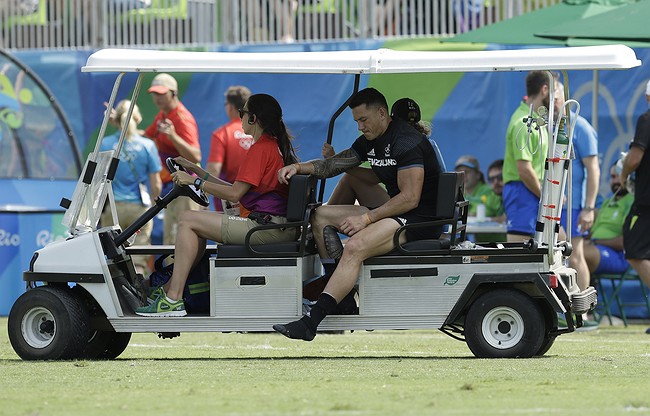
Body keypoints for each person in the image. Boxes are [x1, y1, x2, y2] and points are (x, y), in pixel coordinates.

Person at [273, 87, 443, 340]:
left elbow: (410, 198)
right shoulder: (371, 141)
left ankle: (311, 322)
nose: (360, 127)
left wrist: (366, 219)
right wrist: (298, 167)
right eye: (356, 122)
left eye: (363, 120)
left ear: (382, 113)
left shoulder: (407, 141)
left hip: (422, 220)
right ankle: (338, 292)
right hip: (400, 212)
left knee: (354, 247)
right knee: (320, 217)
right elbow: (334, 165)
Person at [136, 93, 299, 316]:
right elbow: (236, 187)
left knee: (188, 220)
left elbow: (234, 194)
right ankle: (170, 290)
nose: (240, 117)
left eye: (243, 113)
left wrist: (194, 181)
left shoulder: (261, 149)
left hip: (265, 229)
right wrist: (195, 170)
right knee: (195, 226)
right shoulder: (270, 145)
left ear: (253, 119)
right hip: (270, 225)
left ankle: (172, 298)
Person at [321, 97, 440, 207]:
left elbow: (407, 198)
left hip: (415, 213)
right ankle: (326, 213)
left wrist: (367, 218)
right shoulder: (427, 142)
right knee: (350, 178)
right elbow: (376, 177)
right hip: (430, 209)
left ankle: (325, 216)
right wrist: (339, 164)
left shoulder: (406, 145)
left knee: (350, 207)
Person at [101, 99, 162, 274]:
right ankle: (138, 295)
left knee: (113, 259)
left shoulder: (106, 144)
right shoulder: (147, 145)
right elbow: (156, 183)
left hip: (113, 209)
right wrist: (153, 204)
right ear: (137, 119)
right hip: (140, 211)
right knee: (139, 261)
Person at [143, 73, 202, 244]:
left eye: (162, 93)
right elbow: (145, 137)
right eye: (155, 93)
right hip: (174, 187)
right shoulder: (163, 115)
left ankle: (183, 272)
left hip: (187, 188)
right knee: (171, 240)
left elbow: (196, 155)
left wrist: (174, 136)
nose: (157, 98)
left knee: (183, 241)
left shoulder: (182, 118)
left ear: (173, 93)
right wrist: (122, 124)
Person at [555, 82, 600, 298]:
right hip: (552, 204)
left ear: (563, 96)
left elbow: (593, 169)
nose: (551, 104)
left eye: (554, 99)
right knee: (555, 257)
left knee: (575, 255)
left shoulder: (579, 126)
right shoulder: (550, 126)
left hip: (574, 205)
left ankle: (582, 309)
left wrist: (589, 208)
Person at [502, 71, 550, 242]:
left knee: (559, 244)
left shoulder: (535, 119)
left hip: (530, 191)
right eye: (555, 92)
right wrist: (546, 196)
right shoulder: (524, 122)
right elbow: (524, 170)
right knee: (518, 257)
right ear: (545, 90)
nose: (557, 98)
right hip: (522, 191)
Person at [620, 79, 650, 333]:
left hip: (647, 200)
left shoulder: (647, 119)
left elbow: (636, 158)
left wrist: (624, 172)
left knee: (634, 250)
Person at [207, 85, 254, 210]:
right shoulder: (259, 132)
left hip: (229, 200)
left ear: (231, 106)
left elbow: (213, 169)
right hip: (257, 199)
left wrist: (203, 195)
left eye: (225, 104)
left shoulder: (222, 133)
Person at [583, 163, 633, 278]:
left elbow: (625, 242)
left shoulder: (633, 202)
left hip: (619, 256)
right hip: (596, 248)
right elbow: (594, 233)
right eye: (612, 177)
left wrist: (595, 242)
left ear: (627, 176)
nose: (615, 181)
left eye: (618, 176)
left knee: (578, 255)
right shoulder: (607, 202)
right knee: (566, 251)